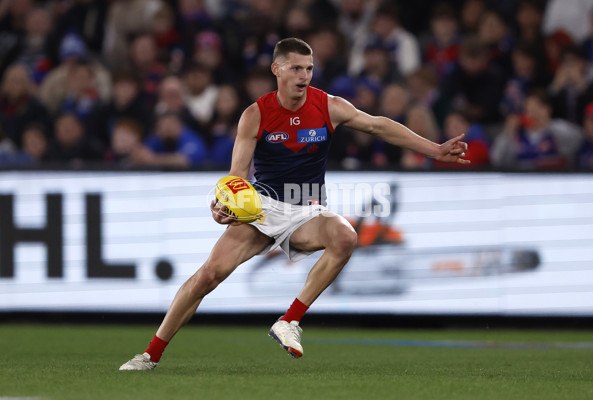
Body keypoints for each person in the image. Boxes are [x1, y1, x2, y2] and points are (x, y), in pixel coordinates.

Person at [119, 38, 469, 371]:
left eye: (309, 69)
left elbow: (378, 126)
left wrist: (435, 150)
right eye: (297, 68)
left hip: (307, 209)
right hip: (262, 208)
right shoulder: (255, 114)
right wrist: (223, 205)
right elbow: (236, 176)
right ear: (277, 69)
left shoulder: (329, 106)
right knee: (207, 277)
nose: (304, 76)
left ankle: (289, 321)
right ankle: (149, 355)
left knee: (345, 237)